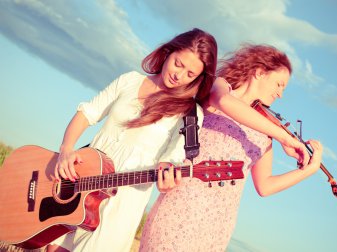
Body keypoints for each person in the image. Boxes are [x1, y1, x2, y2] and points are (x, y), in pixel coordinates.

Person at [46, 28, 218, 252]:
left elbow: (174, 158)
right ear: (168, 51)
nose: (179, 75)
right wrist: (66, 149)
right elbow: (87, 113)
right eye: (178, 63)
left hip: (122, 202)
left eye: (190, 74)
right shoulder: (129, 80)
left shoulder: (191, 114)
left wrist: (169, 175)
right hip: (80, 184)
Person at [139, 44, 323, 251]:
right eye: (279, 84)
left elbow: (265, 186)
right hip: (181, 207)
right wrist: (285, 137)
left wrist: (308, 170)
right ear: (260, 73)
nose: (280, 94)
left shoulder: (266, 133)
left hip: (218, 226)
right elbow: (225, 102)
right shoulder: (220, 88)